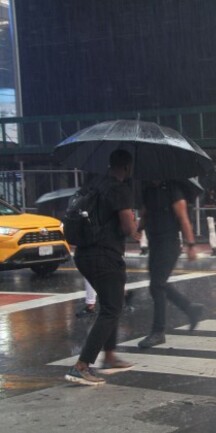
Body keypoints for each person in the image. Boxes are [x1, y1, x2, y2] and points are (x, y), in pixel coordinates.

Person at [64, 149, 140, 386]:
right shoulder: (119, 189)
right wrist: (137, 229)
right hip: (105, 255)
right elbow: (128, 227)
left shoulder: (93, 185)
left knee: (112, 304)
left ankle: (109, 356)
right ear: (127, 167)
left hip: (84, 253)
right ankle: (82, 366)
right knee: (111, 309)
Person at [137, 180, 204, 349]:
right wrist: (137, 229)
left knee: (157, 285)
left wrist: (191, 245)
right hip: (154, 242)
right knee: (157, 285)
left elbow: (183, 218)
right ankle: (190, 309)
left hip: (169, 243)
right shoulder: (147, 189)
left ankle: (158, 332)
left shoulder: (173, 189)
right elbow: (144, 214)